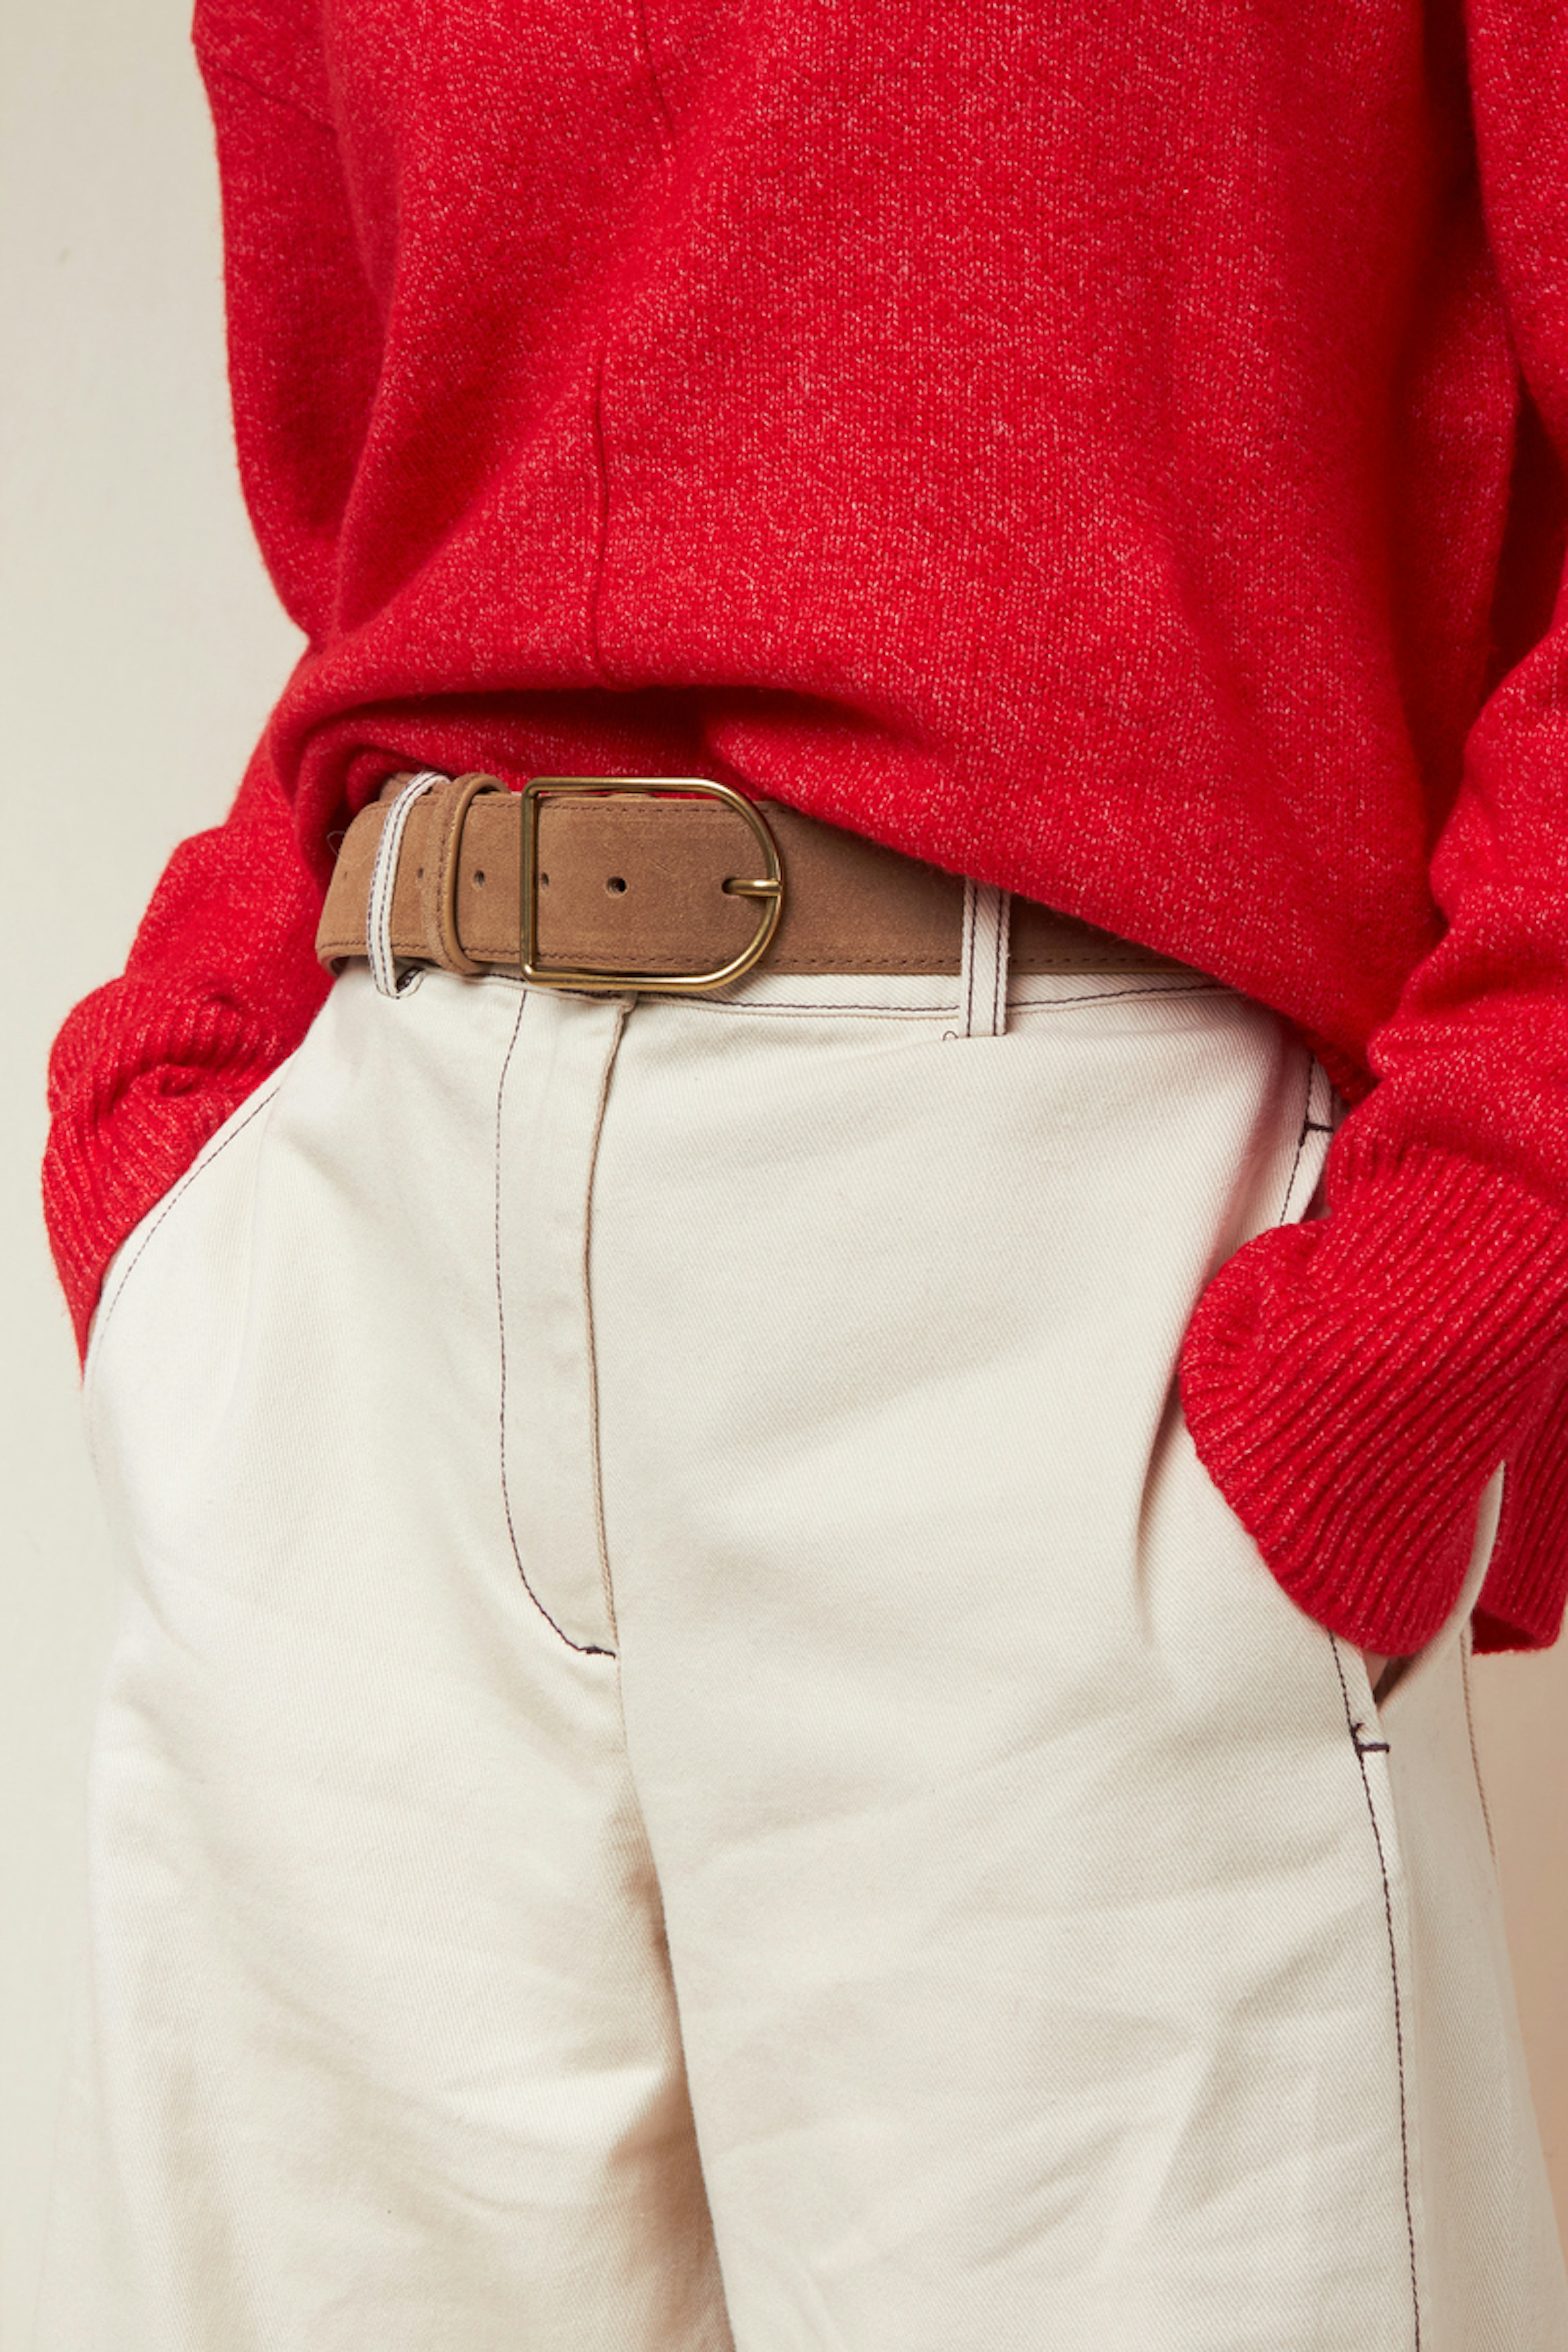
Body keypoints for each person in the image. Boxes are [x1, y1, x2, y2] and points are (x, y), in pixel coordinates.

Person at [35, 0, 1568, 2341]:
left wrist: (1440, 1289)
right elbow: (388, 507)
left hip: (1067, 1274)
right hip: (368, 1281)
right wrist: (180, 1151)